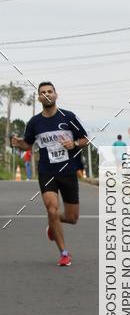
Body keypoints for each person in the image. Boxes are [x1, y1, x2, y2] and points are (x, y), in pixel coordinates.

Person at [11, 81, 89, 267]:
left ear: (56, 94)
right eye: (43, 92)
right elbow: (28, 144)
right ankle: (64, 253)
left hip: (69, 171)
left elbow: (85, 139)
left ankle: (53, 224)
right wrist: (18, 142)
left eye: (50, 91)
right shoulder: (35, 123)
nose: (47, 94)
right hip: (47, 171)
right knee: (51, 208)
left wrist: (75, 144)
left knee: (72, 218)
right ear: (39, 98)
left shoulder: (68, 117)